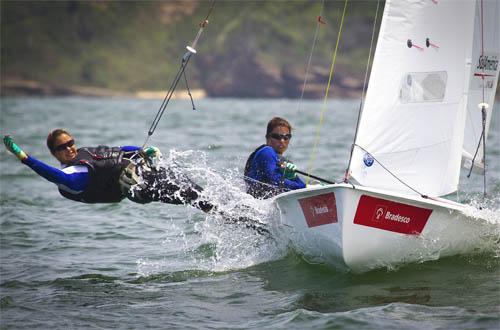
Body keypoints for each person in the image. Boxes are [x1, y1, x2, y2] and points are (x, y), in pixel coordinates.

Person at [3, 129, 214, 212]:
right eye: (61, 147)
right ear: (54, 154)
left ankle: (235, 206)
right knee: (193, 198)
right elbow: (54, 175)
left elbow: (118, 151)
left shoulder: (85, 153)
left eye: (70, 143)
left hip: (146, 173)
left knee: (197, 189)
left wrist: (143, 151)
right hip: (139, 188)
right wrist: (25, 158)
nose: (69, 148)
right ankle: (230, 216)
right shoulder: (70, 178)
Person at [244, 117, 306, 199]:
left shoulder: (283, 161)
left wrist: (293, 177)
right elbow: (274, 180)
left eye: (286, 137)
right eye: (276, 137)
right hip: (258, 205)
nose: (282, 141)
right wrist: (303, 187)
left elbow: (297, 186)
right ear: (267, 138)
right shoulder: (266, 152)